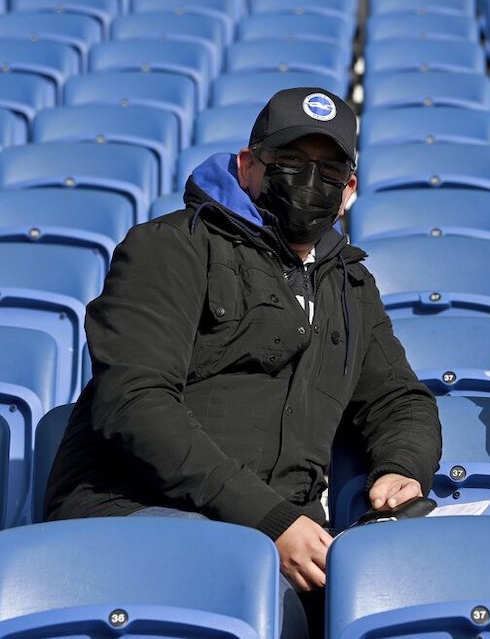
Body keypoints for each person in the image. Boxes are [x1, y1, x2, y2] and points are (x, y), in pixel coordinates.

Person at [45, 88, 442, 636]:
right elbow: (134, 403)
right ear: (247, 165)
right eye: (289, 163)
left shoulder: (351, 285)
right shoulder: (170, 247)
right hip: (137, 514)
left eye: (329, 171)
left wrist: (403, 467)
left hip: (278, 538)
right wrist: (268, 520)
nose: (309, 181)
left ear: (349, 191)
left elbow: (398, 399)